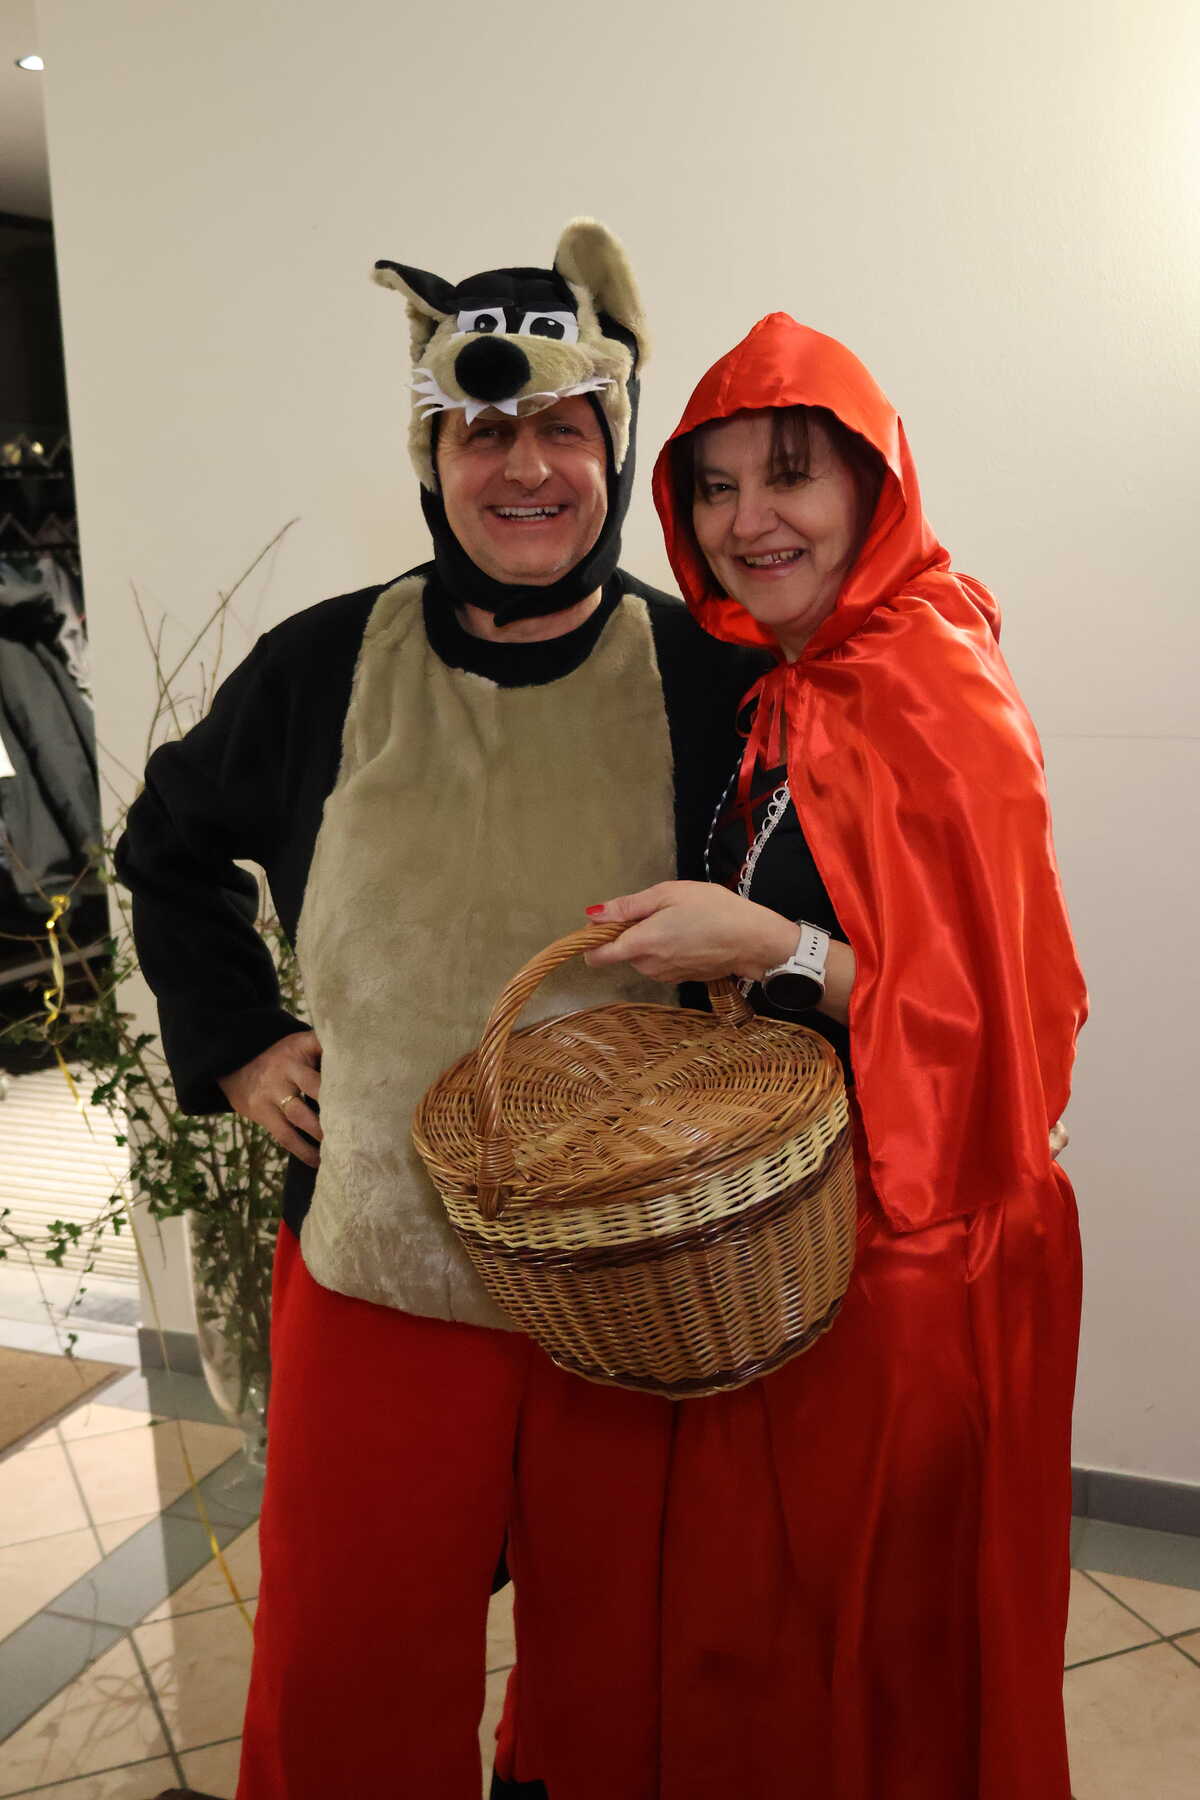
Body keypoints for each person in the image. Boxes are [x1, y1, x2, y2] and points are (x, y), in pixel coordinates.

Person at [115, 220, 765, 1800]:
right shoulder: (324, 664)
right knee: (351, 1658)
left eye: (563, 428)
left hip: (627, 1287)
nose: (525, 467)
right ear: (432, 457)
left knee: (619, 1671)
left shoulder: (710, 680)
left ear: (615, 448)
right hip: (379, 1267)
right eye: (483, 432)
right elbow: (170, 844)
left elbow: (818, 923)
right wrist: (237, 1041)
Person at [582, 312, 1086, 1798]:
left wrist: (770, 948)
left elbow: (1013, 1024)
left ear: (875, 487)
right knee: (789, 1639)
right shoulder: (789, 686)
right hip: (802, 1240)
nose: (751, 521)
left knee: (898, 1650)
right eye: (716, 487)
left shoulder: (931, 682)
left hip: (926, 1261)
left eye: (790, 475)